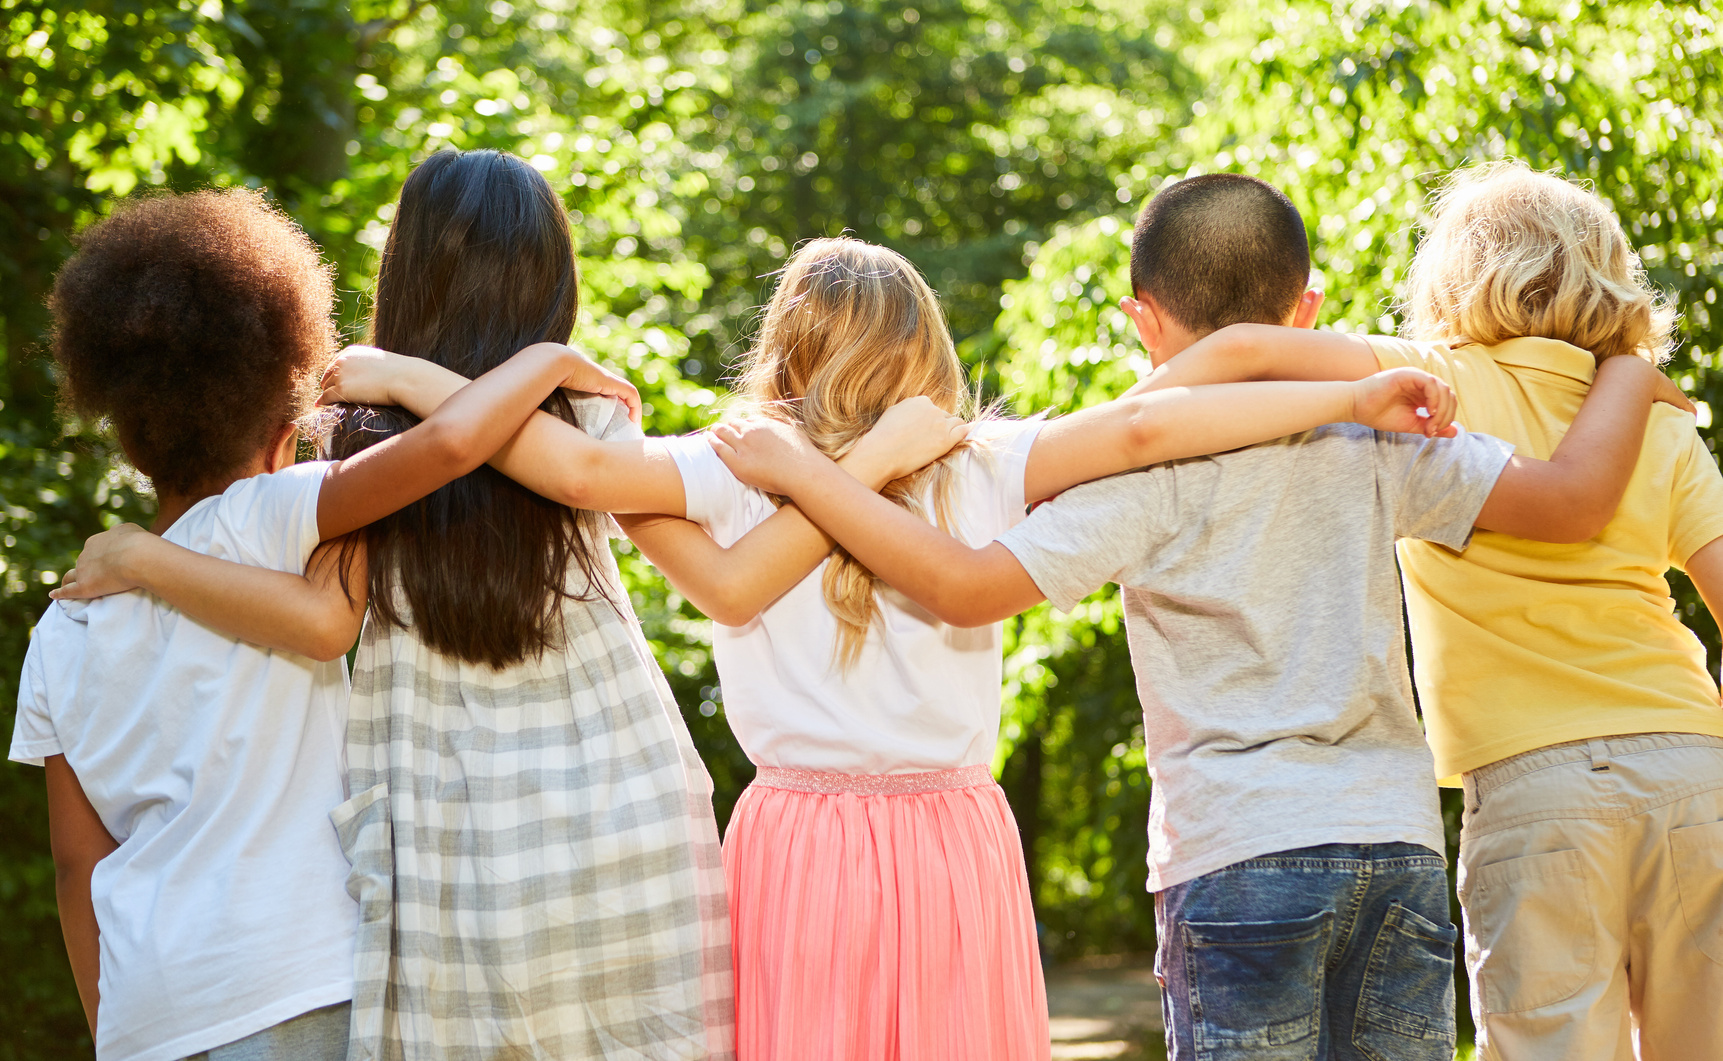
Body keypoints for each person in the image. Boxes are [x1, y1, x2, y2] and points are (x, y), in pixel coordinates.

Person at [271, 231, 1471, 1061]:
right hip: (954, 835)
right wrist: (1350, 392)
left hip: (796, 839)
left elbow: (573, 466)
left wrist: (409, 376)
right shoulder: (983, 461)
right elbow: (1159, 419)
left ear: (786, 350)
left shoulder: (726, 466)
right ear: (926, 343)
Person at [697, 177, 1682, 1061]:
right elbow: (1567, 503)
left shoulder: (1139, 470)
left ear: (1141, 320)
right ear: (1308, 310)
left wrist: (814, 477)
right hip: (1393, 844)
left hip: (1236, 848)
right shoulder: (1377, 434)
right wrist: (1627, 364)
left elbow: (963, 586)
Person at [49, 152, 974, 1061]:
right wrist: (866, 462)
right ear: (550, 284)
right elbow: (725, 579)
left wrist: (148, 554)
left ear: (406, 276)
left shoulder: (351, 436)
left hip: (444, 824)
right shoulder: (585, 413)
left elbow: (328, 612)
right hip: (619, 799)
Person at [10, 188, 630, 1061]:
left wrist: (118, 1028)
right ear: (280, 421)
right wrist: (548, 359)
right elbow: (452, 445)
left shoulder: (60, 631)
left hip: (151, 1016)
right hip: (299, 978)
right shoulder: (281, 514)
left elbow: (78, 865)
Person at [1135, 162, 1723, 1059]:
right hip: (1693, 769)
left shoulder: (1433, 377)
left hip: (1536, 790)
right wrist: (1633, 379)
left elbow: (1246, 349)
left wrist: (1121, 422)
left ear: (1454, 276)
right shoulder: (1661, 422)